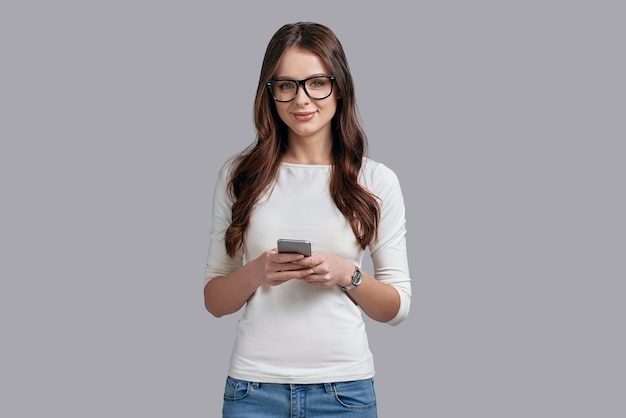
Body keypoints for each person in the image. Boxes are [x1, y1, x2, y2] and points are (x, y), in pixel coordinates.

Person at [203, 21, 411, 417]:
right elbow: (214, 300)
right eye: (286, 85)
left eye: (317, 82)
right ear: (271, 93)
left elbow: (396, 308)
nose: (302, 99)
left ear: (340, 86)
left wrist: (346, 274)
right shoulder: (238, 176)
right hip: (253, 390)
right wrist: (257, 273)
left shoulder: (376, 181)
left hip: (343, 393)